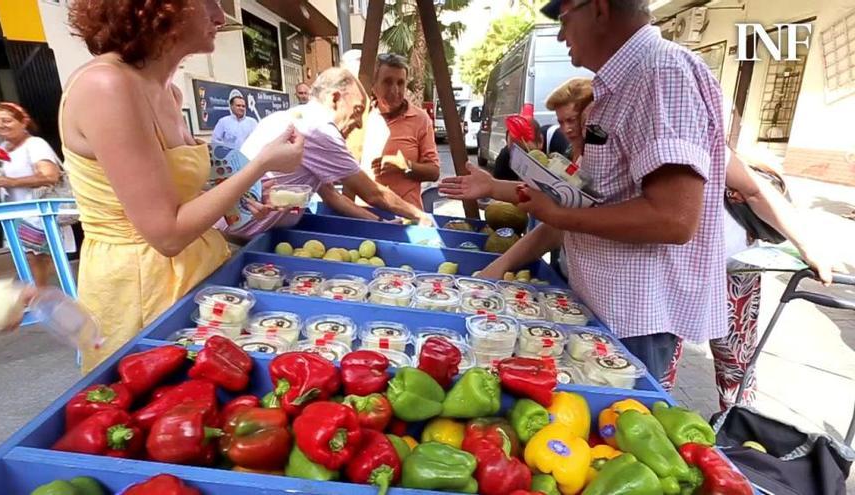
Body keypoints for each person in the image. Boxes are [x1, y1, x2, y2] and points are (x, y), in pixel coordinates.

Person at [443, 0, 728, 384]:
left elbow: (674, 218)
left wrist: (557, 214)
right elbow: (586, 204)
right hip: (601, 308)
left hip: (633, 320)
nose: (561, 35)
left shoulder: (662, 72)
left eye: (563, 20)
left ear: (598, 8)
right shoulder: (620, 86)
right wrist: (515, 203)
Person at [61, 0, 304, 372]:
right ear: (158, 6)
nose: (220, 17)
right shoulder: (106, 87)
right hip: (142, 290)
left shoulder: (168, 92)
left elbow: (181, 192)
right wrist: (259, 166)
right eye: (208, 2)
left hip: (197, 273)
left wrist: (249, 200)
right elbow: (167, 234)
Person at [661, 150, 845, 408]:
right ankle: (662, 414)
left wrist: (809, 247)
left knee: (731, 364)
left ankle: (737, 427)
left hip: (731, 273)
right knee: (665, 360)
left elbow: (757, 191)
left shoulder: (704, 138)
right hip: (682, 270)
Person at [232, 67, 433, 239]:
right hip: (240, 237)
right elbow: (373, 194)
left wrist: (379, 222)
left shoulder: (290, 117)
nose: (360, 123)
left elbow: (332, 196)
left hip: (243, 233)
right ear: (335, 99)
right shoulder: (319, 129)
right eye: (357, 110)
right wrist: (419, 215)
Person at [0, 102, 76, 288]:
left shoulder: (35, 145)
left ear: (23, 122)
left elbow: (49, 176)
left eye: (7, 120)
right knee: (30, 262)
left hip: (38, 217)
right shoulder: (3, 148)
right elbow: (5, 180)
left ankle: (41, 301)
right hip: (18, 216)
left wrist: (9, 182)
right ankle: (40, 300)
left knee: (37, 262)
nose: (0, 125)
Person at [365, 53, 440, 209]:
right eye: (387, 82)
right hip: (366, 214)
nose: (395, 90)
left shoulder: (420, 119)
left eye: (400, 83)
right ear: (374, 85)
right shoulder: (361, 117)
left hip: (407, 215)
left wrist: (404, 165)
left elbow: (434, 172)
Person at [545, 77, 593, 163]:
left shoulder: (601, 155)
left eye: (571, 120)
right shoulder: (570, 151)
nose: (566, 129)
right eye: (560, 122)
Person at [491, 115, 545, 181]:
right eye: (513, 152)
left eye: (525, 151)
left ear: (541, 142)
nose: (519, 158)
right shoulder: (504, 159)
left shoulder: (554, 148)